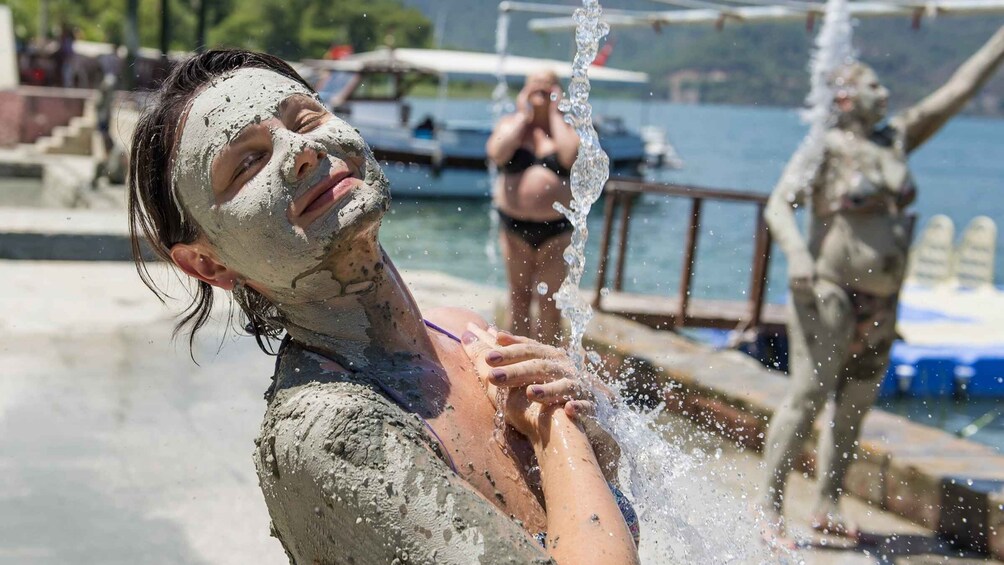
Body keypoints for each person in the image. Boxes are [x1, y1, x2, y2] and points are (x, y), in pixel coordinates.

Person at [127, 50, 639, 565]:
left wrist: (594, 438)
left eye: (306, 118)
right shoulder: (324, 435)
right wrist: (559, 433)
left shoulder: (465, 333)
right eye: (247, 163)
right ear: (207, 264)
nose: (301, 150)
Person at [760, 26, 1004, 545]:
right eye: (874, 87)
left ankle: (827, 501)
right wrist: (799, 255)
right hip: (827, 292)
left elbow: (958, 90)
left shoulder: (896, 139)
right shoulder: (823, 146)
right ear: (846, 96)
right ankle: (770, 509)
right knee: (806, 397)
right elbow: (779, 204)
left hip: (883, 301)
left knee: (853, 407)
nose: (885, 95)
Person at [487, 70, 579, 346]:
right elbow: (496, 152)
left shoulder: (566, 127)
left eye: (547, 88)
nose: (540, 93)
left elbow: (570, 156)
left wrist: (554, 112)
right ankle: (512, 363)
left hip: (556, 231)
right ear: (524, 92)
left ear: (557, 92)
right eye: (534, 88)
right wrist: (524, 115)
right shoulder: (511, 125)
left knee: (550, 303)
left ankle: (548, 369)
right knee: (518, 297)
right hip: (514, 229)